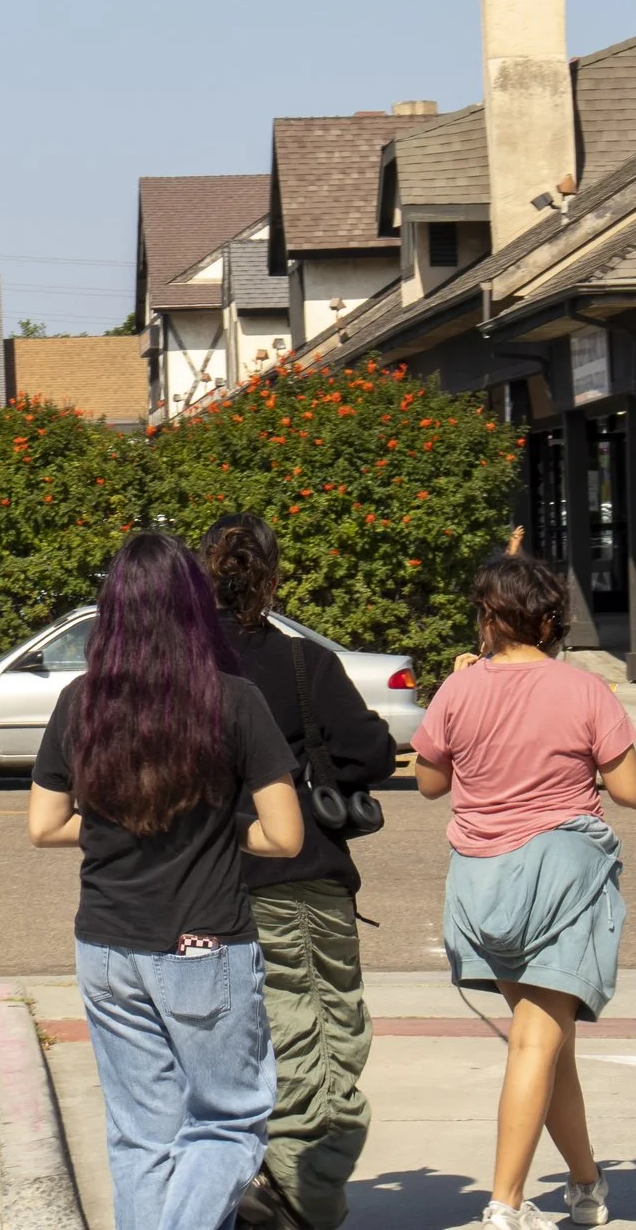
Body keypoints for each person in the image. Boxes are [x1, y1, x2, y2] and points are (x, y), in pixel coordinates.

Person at [28, 532, 307, 1230]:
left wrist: (119, 824)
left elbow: (45, 824)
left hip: (105, 946)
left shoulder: (80, 702)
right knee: (228, 1121)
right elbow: (285, 836)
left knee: (140, 1133)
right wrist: (218, 827)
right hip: (202, 943)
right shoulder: (234, 701)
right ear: (196, 607)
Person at [411, 552, 636, 1230]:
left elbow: (429, 782)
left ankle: (586, 1184)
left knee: (547, 1040)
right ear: (551, 621)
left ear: (488, 617)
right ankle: (506, 1205)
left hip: (482, 885)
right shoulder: (583, 690)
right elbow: (631, 791)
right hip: (560, 883)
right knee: (536, 1044)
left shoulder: (458, 689)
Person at [198, 515, 398, 1230]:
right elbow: (371, 751)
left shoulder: (183, 667)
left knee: (228, 1048)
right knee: (320, 1039)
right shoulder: (301, 662)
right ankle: (296, 1196)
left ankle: (247, 1181)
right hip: (297, 880)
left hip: (197, 884)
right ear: (272, 577)